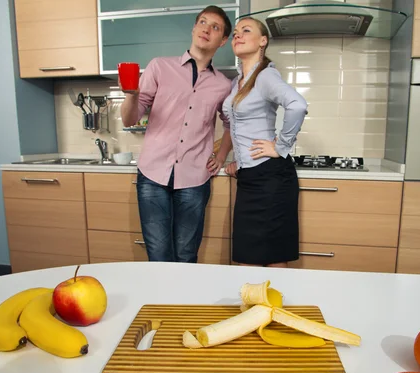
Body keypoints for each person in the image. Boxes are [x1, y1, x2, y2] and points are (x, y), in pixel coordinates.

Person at [120, 6, 235, 263]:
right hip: (153, 174)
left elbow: (230, 124)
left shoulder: (223, 85)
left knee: (186, 254)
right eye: (202, 22)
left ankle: (183, 303)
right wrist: (131, 94)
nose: (206, 29)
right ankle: (161, 303)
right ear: (194, 28)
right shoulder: (160, 67)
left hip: (195, 177)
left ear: (223, 40)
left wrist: (222, 155)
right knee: (158, 254)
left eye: (215, 27)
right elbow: (130, 118)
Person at [223, 17, 308, 267]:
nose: (237, 35)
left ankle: (272, 307)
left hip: (271, 178)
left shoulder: (265, 76)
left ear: (263, 41)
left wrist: (280, 146)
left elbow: (298, 105)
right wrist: (238, 161)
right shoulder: (237, 81)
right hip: (251, 177)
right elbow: (239, 125)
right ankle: (256, 307)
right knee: (246, 259)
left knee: (273, 261)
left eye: (245, 31)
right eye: (235, 32)